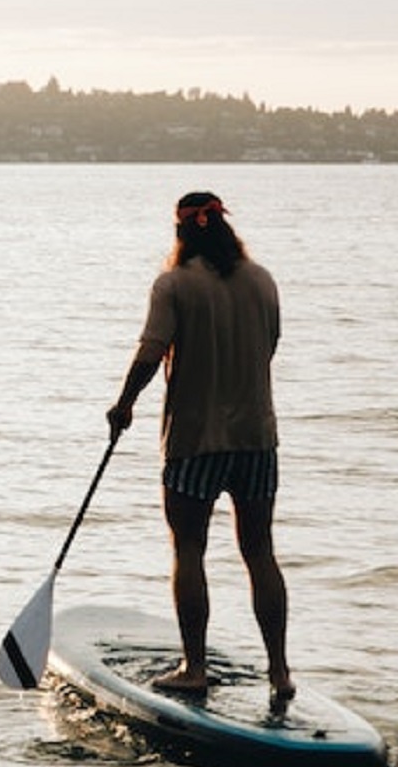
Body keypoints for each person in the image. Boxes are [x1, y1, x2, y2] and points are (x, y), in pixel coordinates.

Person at [107, 192, 295, 701]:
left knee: (189, 550)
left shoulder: (173, 284)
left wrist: (125, 403)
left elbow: (150, 350)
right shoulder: (262, 280)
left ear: (181, 232)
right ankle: (279, 672)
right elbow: (270, 346)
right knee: (260, 552)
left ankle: (194, 667)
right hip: (257, 439)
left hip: (194, 442)